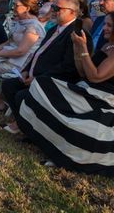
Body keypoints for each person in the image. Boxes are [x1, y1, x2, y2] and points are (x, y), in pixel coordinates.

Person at [15, 12, 114, 174]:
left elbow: (96, 77)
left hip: (102, 98)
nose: (105, 27)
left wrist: (83, 49)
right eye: (105, 24)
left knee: (42, 87)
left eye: (109, 25)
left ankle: (62, 152)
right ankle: (44, 138)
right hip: (87, 88)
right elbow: (83, 72)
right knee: (42, 85)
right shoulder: (107, 46)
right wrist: (77, 50)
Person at [1, 0, 91, 134]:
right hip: (35, 75)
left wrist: (38, 78)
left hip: (54, 81)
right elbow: (38, 53)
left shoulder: (77, 34)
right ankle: (22, 122)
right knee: (9, 85)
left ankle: (27, 127)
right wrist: (26, 70)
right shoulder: (54, 29)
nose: (53, 10)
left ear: (72, 12)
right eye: (53, 6)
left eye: (57, 8)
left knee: (22, 95)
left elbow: (68, 67)